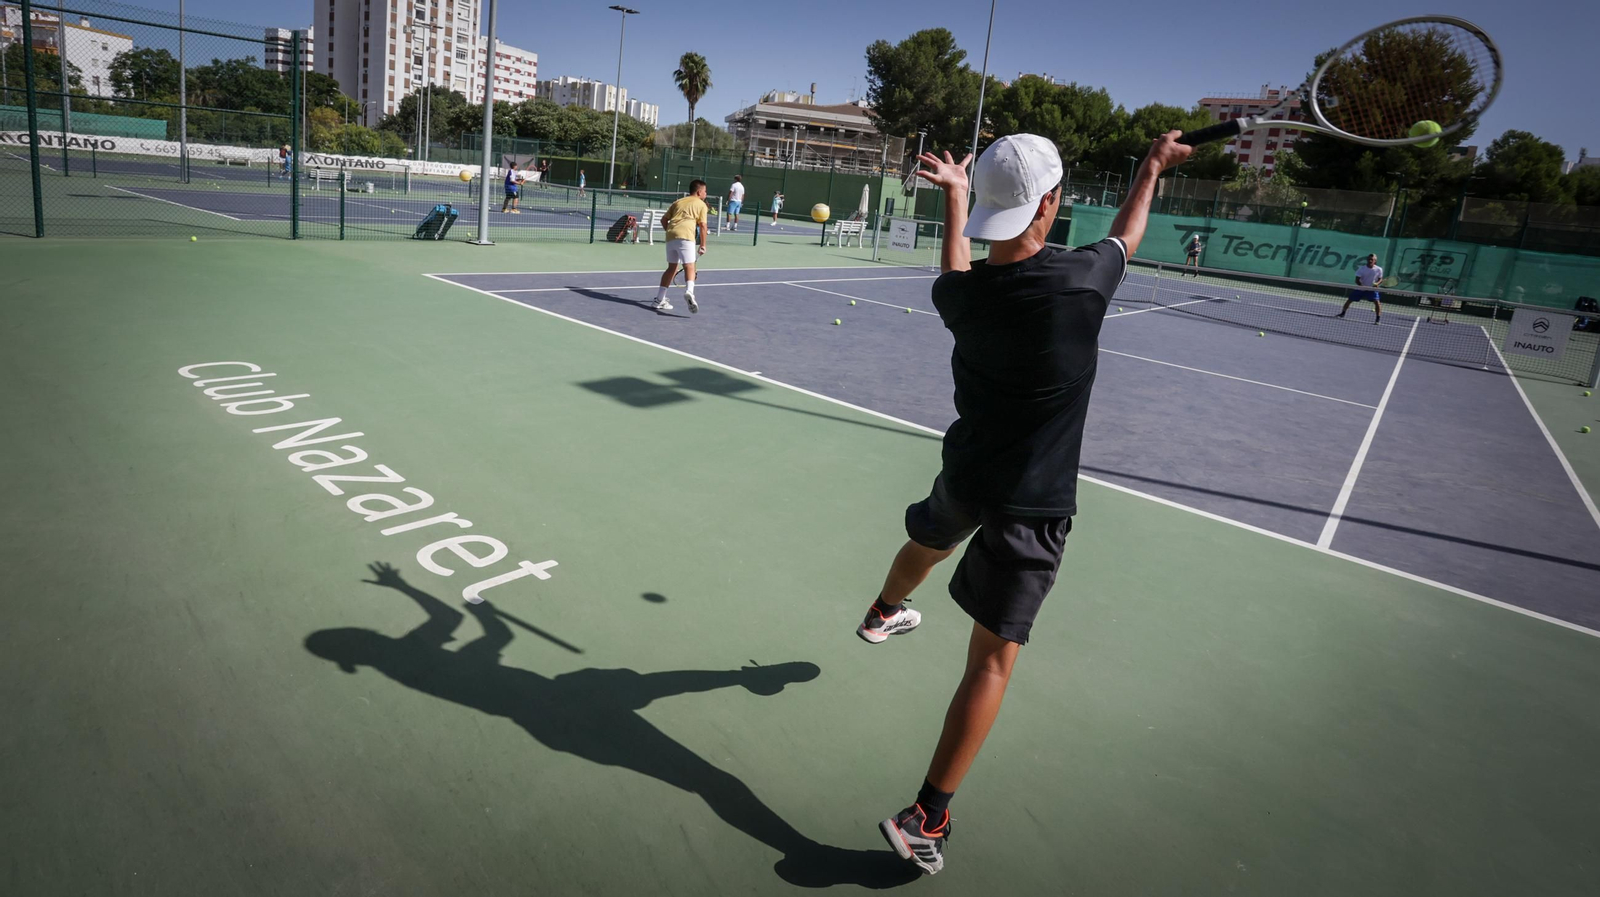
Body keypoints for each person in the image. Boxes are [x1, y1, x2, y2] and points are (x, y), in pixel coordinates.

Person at [859, 131, 1189, 876]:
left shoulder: (961, 296)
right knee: (990, 663)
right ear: (1050, 203)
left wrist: (953, 196)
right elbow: (1127, 234)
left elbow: (955, 268)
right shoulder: (1080, 283)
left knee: (931, 535)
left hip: (969, 467)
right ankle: (927, 817)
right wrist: (1151, 168)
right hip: (1032, 503)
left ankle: (882, 609)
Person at [652, 179, 710, 314]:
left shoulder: (678, 202)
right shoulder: (701, 205)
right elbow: (703, 225)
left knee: (671, 267)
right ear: (699, 192)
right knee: (689, 266)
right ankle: (690, 292)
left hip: (671, 235)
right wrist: (703, 245)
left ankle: (659, 299)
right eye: (705, 191)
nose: (706, 194)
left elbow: (663, 220)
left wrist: (672, 233)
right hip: (686, 235)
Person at [1338, 254, 1384, 323]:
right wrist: (1362, 286)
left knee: (1377, 303)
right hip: (1361, 288)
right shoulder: (1362, 269)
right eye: (1369, 259)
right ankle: (1343, 313)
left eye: (1372, 259)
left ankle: (1378, 319)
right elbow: (1357, 280)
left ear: (1375, 261)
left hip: (1372, 290)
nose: (1370, 260)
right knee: (1349, 300)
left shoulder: (1379, 269)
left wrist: (1377, 283)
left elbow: (1380, 279)